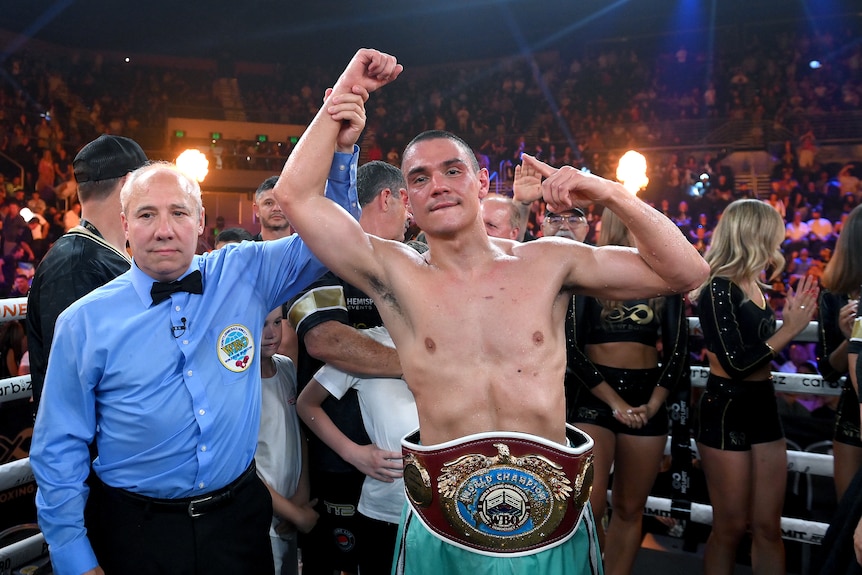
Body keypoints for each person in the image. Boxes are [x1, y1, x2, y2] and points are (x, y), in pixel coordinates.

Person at [276, 48, 708, 575]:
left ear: (481, 185)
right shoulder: (392, 272)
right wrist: (345, 94)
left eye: (452, 171)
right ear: (407, 202)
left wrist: (608, 192)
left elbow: (686, 273)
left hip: (553, 522)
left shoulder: (551, 261)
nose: (437, 185)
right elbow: (295, 196)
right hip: (441, 524)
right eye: (419, 178)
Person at [28, 81, 369, 575]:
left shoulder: (243, 271)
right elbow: (58, 447)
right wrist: (74, 558)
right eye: (146, 214)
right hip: (134, 530)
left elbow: (330, 239)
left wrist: (341, 153)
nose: (163, 228)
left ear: (201, 220)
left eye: (178, 213)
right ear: (125, 225)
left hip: (238, 521)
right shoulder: (83, 322)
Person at [286, 159, 407, 575]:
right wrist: (423, 366)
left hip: (403, 469)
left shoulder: (409, 264)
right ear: (390, 198)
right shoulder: (319, 258)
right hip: (339, 458)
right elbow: (326, 340)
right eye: (407, 204)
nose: (410, 220)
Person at [690, 199, 818, 575]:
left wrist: (788, 327)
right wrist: (790, 331)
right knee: (729, 528)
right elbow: (736, 364)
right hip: (726, 406)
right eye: (774, 230)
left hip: (763, 405)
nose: (780, 238)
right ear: (755, 232)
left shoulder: (756, 285)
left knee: (768, 527)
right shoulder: (718, 288)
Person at [567, 210, 687, 574]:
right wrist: (615, 401)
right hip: (594, 394)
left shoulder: (665, 280)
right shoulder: (590, 273)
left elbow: (678, 348)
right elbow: (573, 347)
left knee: (631, 507)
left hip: (647, 396)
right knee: (590, 504)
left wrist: (652, 403)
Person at [26, 134, 148, 416]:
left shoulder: (96, 256)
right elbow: (75, 383)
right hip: (95, 452)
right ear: (129, 183)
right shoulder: (76, 265)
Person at [297, 325, 418, 575]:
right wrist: (352, 453)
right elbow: (307, 404)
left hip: (451, 511)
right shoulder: (364, 344)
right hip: (386, 509)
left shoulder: (458, 343)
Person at [257, 306, 318, 575]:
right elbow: (240, 466)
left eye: (277, 322)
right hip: (263, 514)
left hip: (292, 503)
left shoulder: (286, 368)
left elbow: (297, 434)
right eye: (261, 324)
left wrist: (299, 499)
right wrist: (292, 513)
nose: (271, 333)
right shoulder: (239, 385)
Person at [820, 204, 862, 500]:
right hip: (851, 408)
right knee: (848, 511)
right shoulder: (834, 294)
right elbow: (829, 369)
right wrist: (850, 339)